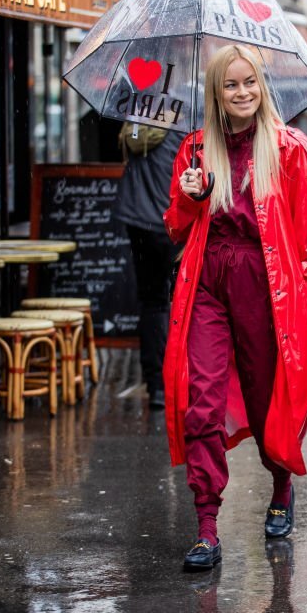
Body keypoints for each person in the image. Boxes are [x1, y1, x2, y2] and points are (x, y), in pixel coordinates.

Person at [162, 44, 307, 572]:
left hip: (268, 284)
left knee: (266, 399)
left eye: (249, 83)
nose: (242, 93)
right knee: (201, 402)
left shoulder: (290, 148)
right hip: (208, 282)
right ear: (216, 93)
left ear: (262, 86)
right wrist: (190, 197)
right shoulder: (194, 149)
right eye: (231, 85)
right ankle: (207, 527)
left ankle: (281, 485)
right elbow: (174, 227)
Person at [115, 123, 185, 409]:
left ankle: (156, 384)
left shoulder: (136, 120)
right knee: (185, 302)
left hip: (138, 221)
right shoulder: (184, 122)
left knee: (151, 302)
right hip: (171, 222)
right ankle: (181, 380)